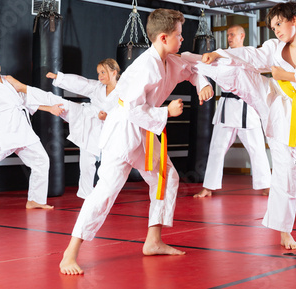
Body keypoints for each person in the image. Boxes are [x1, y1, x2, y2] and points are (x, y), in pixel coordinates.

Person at [59, 8, 214, 275]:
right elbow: (131, 108)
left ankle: (153, 241)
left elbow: (191, 69)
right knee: (106, 191)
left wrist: (202, 84)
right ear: (163, 37)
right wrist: (167, 111)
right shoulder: (145, 67)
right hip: (123, 132)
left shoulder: (170, 60)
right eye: (179, 35)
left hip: (144, 130)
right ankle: (69, 254)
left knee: (166, 178)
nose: (182, 40)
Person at [183, 1, 296, 249]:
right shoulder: (274, 46)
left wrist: (287, 75)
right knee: (238, 71)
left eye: (279, 24)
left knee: (286, 167)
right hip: (270, 93)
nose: (276, 31)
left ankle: (284, 230)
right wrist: (219, 53)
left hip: (290, 108)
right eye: (273, 27)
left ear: (294, 20)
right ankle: (189, 61)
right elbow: (252, 55)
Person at [0, 51, 63, 209]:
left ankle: (36, 200)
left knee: (41, 161)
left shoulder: (7, 80)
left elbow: (23, 101)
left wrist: (49, 108)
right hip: (3, 131)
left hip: (22, 129)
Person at [194, 24, 271, 198]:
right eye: (228, 35)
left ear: (242, 36)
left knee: (257, 147)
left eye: (232, 34)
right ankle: (208, 187)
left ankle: (266, 185)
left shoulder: (250, 54)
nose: (229, 38)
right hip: (226, 107)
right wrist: (204, 85)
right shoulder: (219, 55)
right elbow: (199, 68)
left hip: (247, 107)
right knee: (217, 148)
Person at [44, 59, 121, 199]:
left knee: (109, 166)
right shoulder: (97, 87)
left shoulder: (124, 91)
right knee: (86, 163)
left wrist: (108, 117)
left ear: (114, 72)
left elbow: (126, 113)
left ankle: (105, 193)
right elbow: (81, 84)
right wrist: (59, 78)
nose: (100, 76)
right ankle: (86, 195)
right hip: (90, 124)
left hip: (111, 131)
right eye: (98, 73)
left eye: (103, 72)